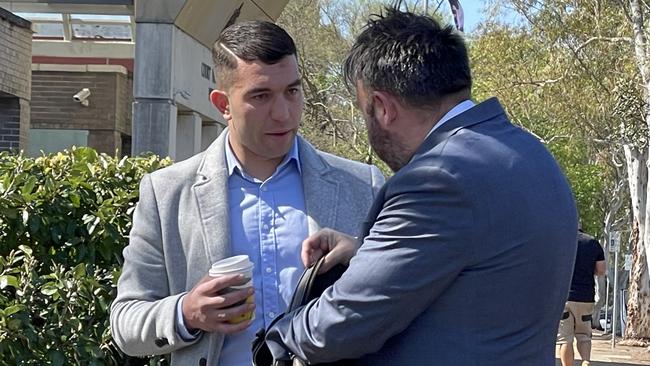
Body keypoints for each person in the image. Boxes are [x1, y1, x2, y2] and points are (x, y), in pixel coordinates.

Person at [265, 7, 578, 365]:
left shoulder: (438, 177)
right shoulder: (529, 152)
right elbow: (479, 267)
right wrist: (367, 253)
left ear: (382, 107)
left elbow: (343, 323)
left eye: (364, 110)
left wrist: (280, 337)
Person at [110, 20, 384, 365]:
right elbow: (125, 323)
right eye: (261, 96)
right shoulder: (166, 194)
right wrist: (187, 312)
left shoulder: (363, 184)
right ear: (222, 104)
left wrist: (361, 257)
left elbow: (407, 297)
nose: (283, 113)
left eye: (292, 91)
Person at [557, 228, 606, 366]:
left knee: (565, 339)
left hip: (564, 297)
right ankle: (585, 361)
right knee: (584, 336)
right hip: (585, 298)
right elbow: (601, 270)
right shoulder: (592, 242)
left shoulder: (560, 242)